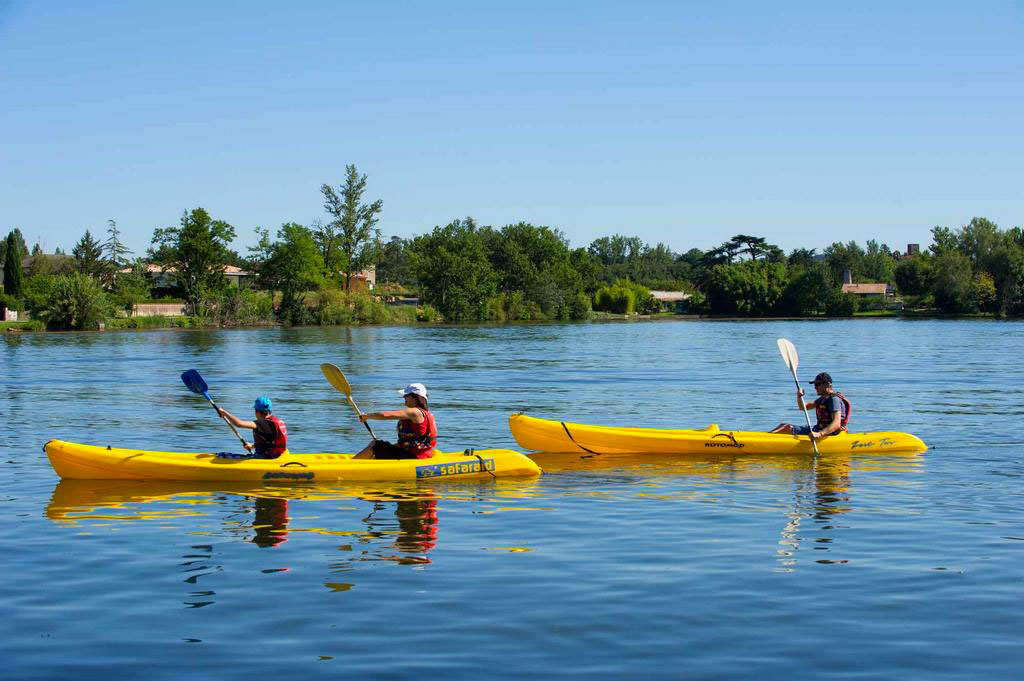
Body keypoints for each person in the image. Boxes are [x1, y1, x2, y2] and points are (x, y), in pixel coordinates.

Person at [354, 383, 437, 459]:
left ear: (416, 397)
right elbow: (411, 442)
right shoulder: (425, 413)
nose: (404, 397)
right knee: (378, 445)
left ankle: (352, 465)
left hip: (413, 456)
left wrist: (366, 416)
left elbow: (386, 415)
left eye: (406, 395)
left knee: (375, 445)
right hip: (418, 453)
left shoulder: (415, 412)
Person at [770, 372, 850, 439]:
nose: (815, 387)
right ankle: (766, 437)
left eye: (818, 384)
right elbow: (803, 407)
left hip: (830, 434)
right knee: (783, 426)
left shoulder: (834, 400)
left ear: (828, 384)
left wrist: (820, 434)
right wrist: (799, 396)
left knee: (787, 428)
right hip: (818, 429)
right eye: (815, 385)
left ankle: (767, 440)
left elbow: (836, 423)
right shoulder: (822, 399)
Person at [217, 396, 288, 458]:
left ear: (257, 412)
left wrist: (224, 413)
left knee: (221, 456)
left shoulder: (262, 423)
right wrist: (253, 446)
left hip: (265, 458)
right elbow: (270, 442)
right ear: (270, 411)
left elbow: (239, 424)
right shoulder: (276, 422)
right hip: (278, 456)